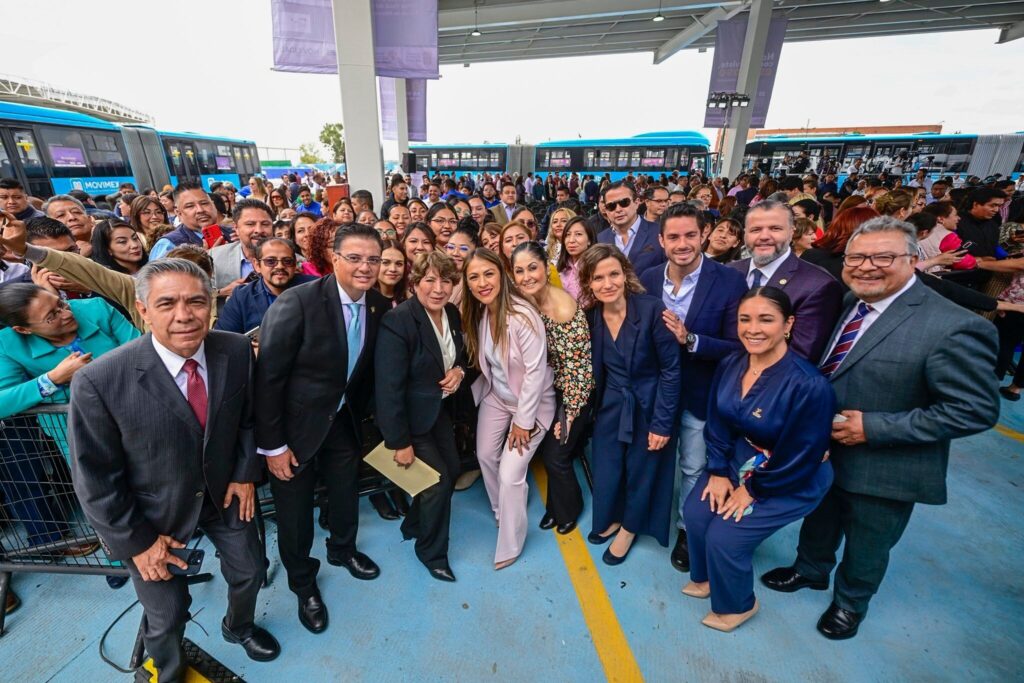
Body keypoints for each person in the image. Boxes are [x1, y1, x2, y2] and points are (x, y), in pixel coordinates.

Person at [761, 217, 1000, 640]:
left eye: (883, 257)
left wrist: (874, 427)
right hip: (827, 448)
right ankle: (810, 570)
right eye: (857, 257)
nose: (867, 266)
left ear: (913, 259)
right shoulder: (850, 300)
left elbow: (974, 409)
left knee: (869, 539)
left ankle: (850, 603)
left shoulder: (951, 324)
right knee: (820, 516)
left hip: (887, 461)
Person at [69, 259, 280, 680]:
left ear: (212, 306)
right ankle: (165, 670)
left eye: (196, 302)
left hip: (221, 494)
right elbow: (95, 478)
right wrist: (137, 543)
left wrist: (243, 473)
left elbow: (246, 418)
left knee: (250, 571)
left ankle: (237, 626)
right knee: (166, 614)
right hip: (150, 515)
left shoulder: (235, 350)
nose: (184, 315)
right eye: (167, 303)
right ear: (142, 309)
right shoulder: (99, 381)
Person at [254, 224, 388, 634]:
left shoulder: (378, 305)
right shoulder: (299, 302)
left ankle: (342, 550)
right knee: (294, 514)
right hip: (293, 432)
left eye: (373, 260)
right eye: (356, 258)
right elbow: (269, 379)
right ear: (334, 257)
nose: (365, 267)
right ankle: (303, 583)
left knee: (345, 493)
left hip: (342, 424)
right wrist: (273, 446)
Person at [682, 286, 835, 632]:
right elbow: (718, 419)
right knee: (695, 512)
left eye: (766, 319)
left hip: (789, 475)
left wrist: (752, 490)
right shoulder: (732, 362)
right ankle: (707, 578)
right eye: (745, 319)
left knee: (725, 537)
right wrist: (718, 470)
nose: (753, 329)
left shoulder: (809, 385)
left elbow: (803, 454)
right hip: (739, 458)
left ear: (788, 324)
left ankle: (738, 605)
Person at [638, 203, 747, 573]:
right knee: (651, 458)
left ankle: (687, 529)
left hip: (701, 392)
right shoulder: (648, 278)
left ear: (703, 235)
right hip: (653, 392)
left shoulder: (729, 281)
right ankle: (643, 518)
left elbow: (739, 347)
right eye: (673, 236)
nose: (682, 243)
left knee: (692, 464)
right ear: (661, 240)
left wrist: (691, 339)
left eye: (689, 235)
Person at [581, 244, 680, 564]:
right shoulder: (592, 315)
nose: (607, 283)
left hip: (648, 406)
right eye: (598, 278)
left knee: (641, 470)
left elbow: (671, 370)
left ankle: (630, 527)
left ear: (625, 275)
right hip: (610, 406)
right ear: (589, 284)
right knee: (608, 466)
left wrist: (662, 422)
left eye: (613, 274)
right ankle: (610, 516)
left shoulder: (652, 310)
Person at [375, 251, 467, 582]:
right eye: (429, 280)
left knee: (453, 468)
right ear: (415, 284)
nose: (438, 288)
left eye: (445, 280)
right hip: (409, 419)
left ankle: (414, 523)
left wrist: (458, 370)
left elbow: (461, 356)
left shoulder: (452, 314)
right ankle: (431, 552)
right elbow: (388, 388)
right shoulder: (398, 322)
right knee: (438, 482)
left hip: (436, 411)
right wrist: (399, 442)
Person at [461, 248, 555, 569]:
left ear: (502, 273)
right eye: (474, 276)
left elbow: (535, 373)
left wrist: (522, 422)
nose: (482, 282)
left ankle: (511, 543)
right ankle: (502, 510)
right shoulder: (479, 313)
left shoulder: (522, 315)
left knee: (511, 471)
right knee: (485, 454)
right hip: (498, 397)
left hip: (530, 405)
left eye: (488, 273)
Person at [510, 242, 594, 535]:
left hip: (574, 392)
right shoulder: (525, 299)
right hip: (546, 389)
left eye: (532, 268)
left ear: (547, 267)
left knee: (556, 455)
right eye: (519, 271)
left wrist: (569, 414)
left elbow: (579, 372)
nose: (526, 276)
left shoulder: (564, 307)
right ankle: (554, 507)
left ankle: (570, 508)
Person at [729, 200, 843, 362]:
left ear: (791, 232)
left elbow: (800, 359)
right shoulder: (731, 270)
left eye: (775, 229)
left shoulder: (818, 285)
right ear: (745, 234)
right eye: (756, 229)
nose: (764, 236)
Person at [215, 238, 316, 335]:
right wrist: (249, 348)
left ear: (294, 265)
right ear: (257, 265)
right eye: (271, 261)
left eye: (287, 261)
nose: (280, 266)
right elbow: (224, 340)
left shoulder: (315, 289)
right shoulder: (242, 297)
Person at [210, 199, 273, 305]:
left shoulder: (292, 260)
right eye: (250, 224)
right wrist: (221, 292)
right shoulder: (215, 257)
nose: (258, 230)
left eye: (265, 224)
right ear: (236, 228)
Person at [597, 181, 665, 276]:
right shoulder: (601, 239)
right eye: (611, 206)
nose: (618, 209)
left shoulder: (659, 232)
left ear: (637, 202)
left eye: (624, 203)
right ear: (606, 210)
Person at [149, 182, 215, 260]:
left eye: (204, 203)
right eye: (190, 206)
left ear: (214, 205)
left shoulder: (230, 233)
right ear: (178, 213)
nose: (200, 210)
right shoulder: (169, 245)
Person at [556, 216, 597, 301]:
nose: (571, 240)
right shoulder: (561, 268)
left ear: (589, 240)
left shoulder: (596, 267)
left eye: (578, 234)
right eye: (567, 235)